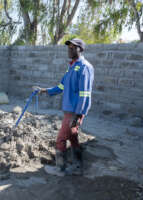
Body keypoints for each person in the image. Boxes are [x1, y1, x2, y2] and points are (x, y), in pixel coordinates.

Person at [33, 38, 94, 176]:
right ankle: (78, 165)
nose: (70, 49)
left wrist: (78, 115)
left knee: (61, 138)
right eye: (69, 47)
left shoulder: (85, 67)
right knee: (72, 137)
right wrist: (43, 90)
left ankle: (59, 169)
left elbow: (85, 94)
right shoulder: (71, 66)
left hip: (74, 111)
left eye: (74, 47)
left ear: (81, 49)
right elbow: (61, 86)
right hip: (69, 110)